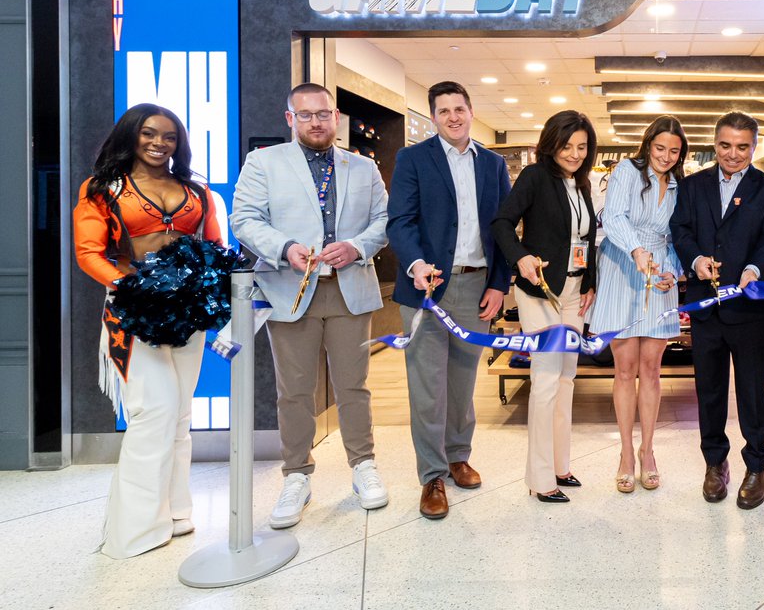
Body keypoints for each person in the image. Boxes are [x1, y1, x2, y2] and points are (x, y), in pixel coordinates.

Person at [231, 83, 390, 529]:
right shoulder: (263, 163)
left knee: (353, 386)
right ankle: (296, 475)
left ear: (336, 116)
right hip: (289, 289)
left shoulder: (363, 167)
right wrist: (284, 248)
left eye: (323, 114)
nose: (317, 122)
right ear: (290, 119)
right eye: (306, 115)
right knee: (295, 391)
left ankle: (363, 467)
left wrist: (357, 247)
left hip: (349, 288)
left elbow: (384, 219)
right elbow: (243, 219)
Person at [73, 103, 222, 558]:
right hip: (132, 313)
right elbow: (88, 252)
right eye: (149, 134)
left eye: (170, 136)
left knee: (178, 414)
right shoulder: (102, 189)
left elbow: (214, 245)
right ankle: (135, 529)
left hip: (188, 313)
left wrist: (208, 286)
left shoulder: (196, 191)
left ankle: (176, 512)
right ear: (131, 135)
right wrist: (133, 286)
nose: (160, 143)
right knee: (152, 412)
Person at [387, 81, 511, 520]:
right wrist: (416, 263)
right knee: (427, 388)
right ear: (434, 118)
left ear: (471, 111)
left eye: (460, 108)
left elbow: (503, 228)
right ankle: (432, 475)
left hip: (476, 289)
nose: (453, 117)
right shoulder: (413, 159)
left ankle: (459, 456)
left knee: (462, 382)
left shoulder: (494, 164)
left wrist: (499, 284)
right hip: (426, 288)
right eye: (444, 111)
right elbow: (399, 221)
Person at [670, 112, 764, 510]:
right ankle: (715, 463)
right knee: (709, 391)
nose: (733, 154)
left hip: (750, 308)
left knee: (753, 392)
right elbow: (681, 230)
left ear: (754, 147)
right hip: (706, 309)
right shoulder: (691, 186)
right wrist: (695, 259)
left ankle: (756, 466)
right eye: (725, 146)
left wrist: (755, 269)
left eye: (742, 147)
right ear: (715, 143)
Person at [492, 111, 598, 504]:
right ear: (551, 144)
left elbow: (586, 241)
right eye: (567, 146)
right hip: (539, 293)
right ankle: (539, 478)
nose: (574, 154)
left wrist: (590, 283)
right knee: (547, 380)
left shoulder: (582, 184)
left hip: (573, 293)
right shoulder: (535, 177)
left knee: (567, 379)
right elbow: (502, 222)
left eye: (582, 147)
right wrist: (520, 257)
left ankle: (560, 464)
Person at [589, 116, 687, 493]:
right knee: (625, 367)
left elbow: (678, 234)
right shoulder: (627, 171)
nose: (665, 156)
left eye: (673, 151)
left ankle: (649, 451)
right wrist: (636, 250)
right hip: (621, 267)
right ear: (648, 146)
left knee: (651, 367)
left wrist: (673, 272)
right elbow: (612, 217)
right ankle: (626, 454)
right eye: (660, 148)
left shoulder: (680, 185)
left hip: (658, 273)